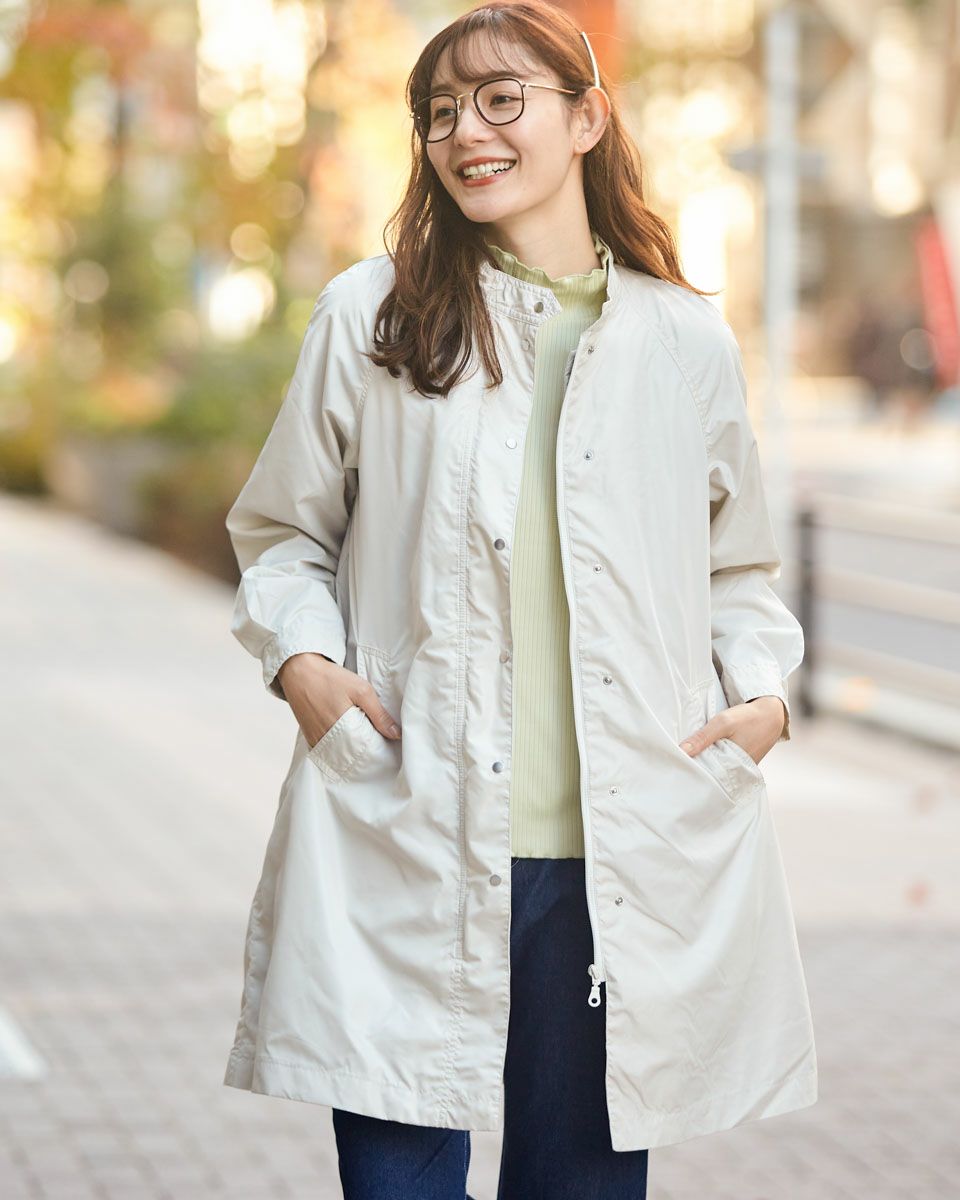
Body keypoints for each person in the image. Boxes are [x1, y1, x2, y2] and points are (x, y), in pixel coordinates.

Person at [221, 3, 817, 1198]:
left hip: (614, 854)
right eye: (441, 111)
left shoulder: (684, 340)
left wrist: (761, 699)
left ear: (587, 118)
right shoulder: (375, 315)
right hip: (410, 815)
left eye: (503, 101)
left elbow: (738, 569)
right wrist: (305, 670)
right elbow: (284, 533)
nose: (467, 133)